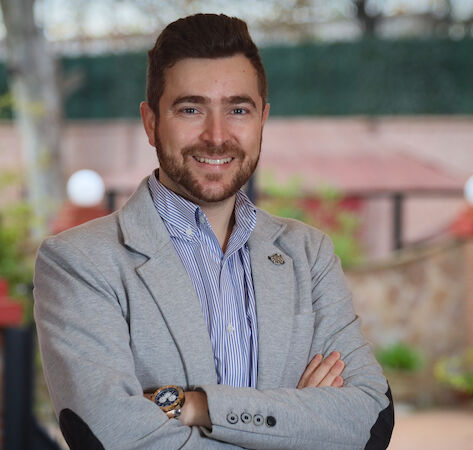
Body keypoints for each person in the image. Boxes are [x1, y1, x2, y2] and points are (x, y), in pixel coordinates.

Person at [34, 13, 394, 450]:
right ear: (151, 123)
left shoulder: (309, 254)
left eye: (238, 110)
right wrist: (299, 423)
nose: (217, 136)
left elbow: (370, 420)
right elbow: (111, 434)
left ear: (262, 119)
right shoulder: (79, 262)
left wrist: (197, 405)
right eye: (191, 109)